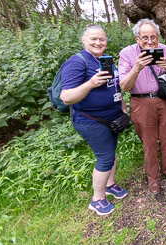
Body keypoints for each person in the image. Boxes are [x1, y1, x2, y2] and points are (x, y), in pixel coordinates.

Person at [60, 25, 128, 216]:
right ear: (83, 40)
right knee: (105, 157)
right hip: (90, 120)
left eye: (102, 39)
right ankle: (97, 199)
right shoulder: (77, 62)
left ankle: (110, 185)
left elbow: (113, 86)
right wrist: (90, 83)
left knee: (111, 152)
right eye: (93, 39)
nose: (98, 42)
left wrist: (122, 106)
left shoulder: (105, 60)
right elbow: (66, 97)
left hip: (112, 117)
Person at [118, 19, 166, 194]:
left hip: (165, 100)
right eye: (145, 37)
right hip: (141, 102)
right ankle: (153, 177)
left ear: (158, 37)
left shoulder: (165, 50)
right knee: (148, 142)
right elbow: (124, 86)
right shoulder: (127, 54)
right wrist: (137, 67)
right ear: (137, 38)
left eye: (153, 37)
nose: (150, 41)